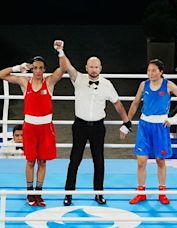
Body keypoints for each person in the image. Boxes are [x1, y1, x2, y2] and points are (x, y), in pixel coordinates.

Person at [59, 42, 131, 206]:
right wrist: (61, 51)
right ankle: (68, 194)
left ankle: (99, 194)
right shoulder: (78, 78)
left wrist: (126, 121)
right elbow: (66, 66)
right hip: (80, 125)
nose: (93, 69)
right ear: (86, 67)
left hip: (98, 126)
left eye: (96, 67)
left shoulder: (107, 84)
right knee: (75, 159)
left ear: (100, 68)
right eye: (91, 66)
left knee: (99, 160)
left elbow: (118, 104)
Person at [0, 41, 66, 207]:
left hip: (46, 128)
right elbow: (0, 75)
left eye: (41, 68)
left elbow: (63, 68)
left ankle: (38, 193)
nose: (38, 71)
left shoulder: (49, 82)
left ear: (44, 69)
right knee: (30, 161)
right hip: (30, 128)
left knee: (43, 161)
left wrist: (60, 51)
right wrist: (17, 67)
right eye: (35, 68)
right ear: (31, 68)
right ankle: (29, 193)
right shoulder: (24, 82)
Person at [127, 59, 177, 205]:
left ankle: (162, 192)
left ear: (161, 72)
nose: (150, 73)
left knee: (160, 160)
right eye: (149, 70)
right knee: (141, 161)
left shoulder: (168, 85)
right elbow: (136, 103)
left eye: (154, 70)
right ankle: (141, 192)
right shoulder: (143, 85)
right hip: (144, 125)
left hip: (160, 126)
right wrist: (127, 122)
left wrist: (174, 118)